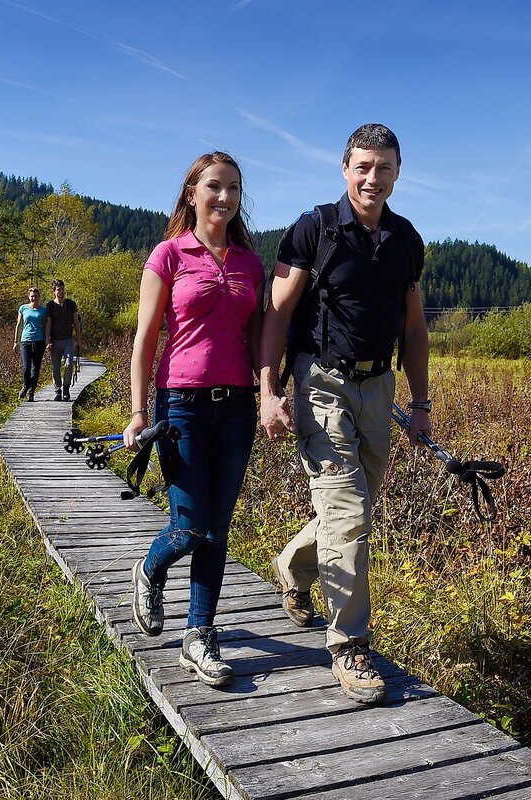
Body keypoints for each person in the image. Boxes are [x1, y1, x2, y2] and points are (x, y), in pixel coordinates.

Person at [260, 123, 431, 705]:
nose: (372, 179)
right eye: (362, 167)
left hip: (379, 386)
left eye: (383, 168)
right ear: (344, 168)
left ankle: (292, 565)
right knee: (348, 509)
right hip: (321, 382)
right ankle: (349, 643)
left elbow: (413, 327)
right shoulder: (315, 230)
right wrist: (267, 391)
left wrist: (422, 402)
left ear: (398, 172)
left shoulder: (407, 239)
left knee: (356, 506)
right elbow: (277, 315)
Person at [123, 152, 264, 687]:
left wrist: (270, 391)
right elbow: (144, 341)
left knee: (217, 530)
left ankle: (199, 634)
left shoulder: (250, 262)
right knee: (190, 526)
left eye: (233, 189)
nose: (224, 198)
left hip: (236, 408)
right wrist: (138, 412)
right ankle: (150, 567)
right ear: (191, 193)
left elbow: (259, 340)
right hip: (179, 403)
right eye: (214, 187)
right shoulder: (168, 254)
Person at [44, 279, 81, 401]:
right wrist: (47, 340)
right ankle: (57, 390)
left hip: (68, 340)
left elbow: (76, 322)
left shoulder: (71, 304)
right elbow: (48, 324)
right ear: (54, 291)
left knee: (69, 363)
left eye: (62, 289)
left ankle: (66, 387)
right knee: (55, 367)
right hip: (54, 341)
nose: (61, 291)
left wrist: (79, 340)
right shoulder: (50, 306)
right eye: (58, 289)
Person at [13, 287, 47, 402]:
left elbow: (45, 326)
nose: (34, 298)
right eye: (32, 296)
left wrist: (47, 340)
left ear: (39, 297)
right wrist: (15, 342)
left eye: (36, 296)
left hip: (39, 341)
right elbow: (19, 324)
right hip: (25, 341)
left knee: (35, 369)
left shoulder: (43, 310)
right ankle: (26, 386)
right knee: (26, 367)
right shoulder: (23, 308)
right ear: (29, 297)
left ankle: (31, 393)